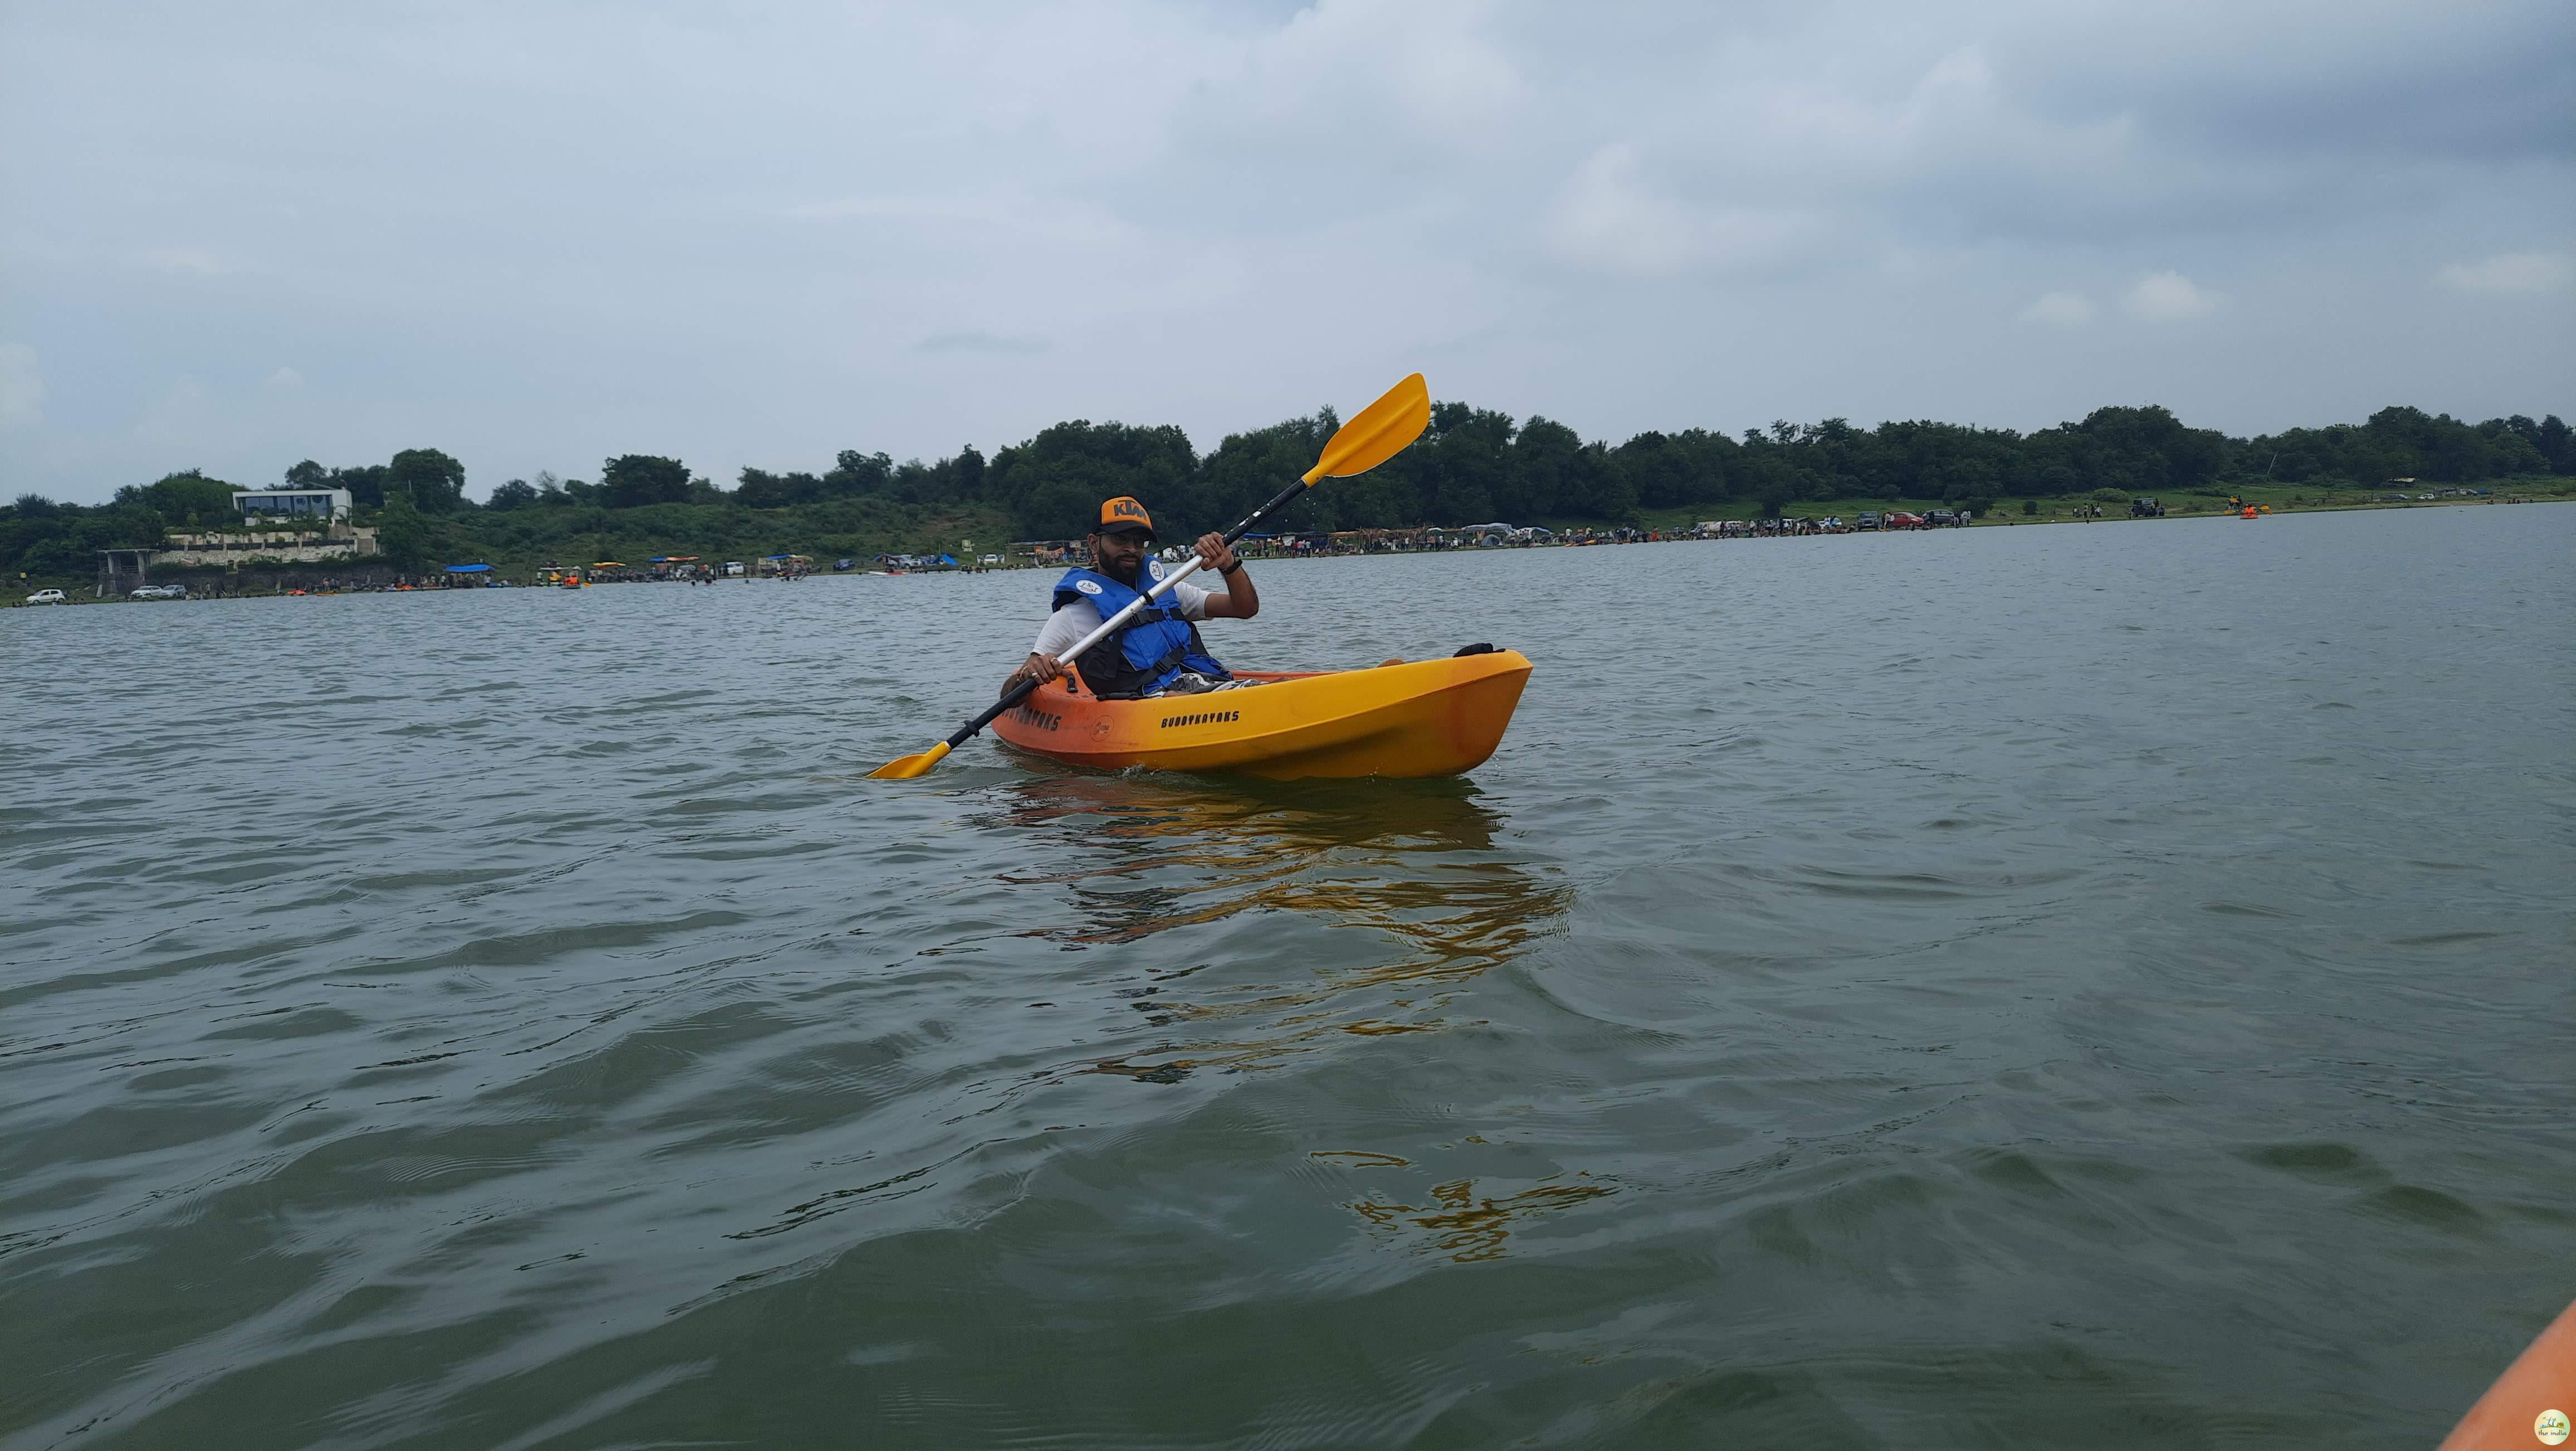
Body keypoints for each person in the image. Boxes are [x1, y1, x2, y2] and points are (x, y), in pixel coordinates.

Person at [1003, 496, 1260, 699]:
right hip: (1149, 707)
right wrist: (1031, 673)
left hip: (1201, 685)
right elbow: (1011, 693)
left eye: (1140, 541)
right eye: (1120, 539)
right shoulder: (1073, 616)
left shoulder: (1167, 590)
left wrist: (1228, 565)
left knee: (1272, 688)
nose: (1131, 548)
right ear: (1094, 543)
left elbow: (1244, 608)